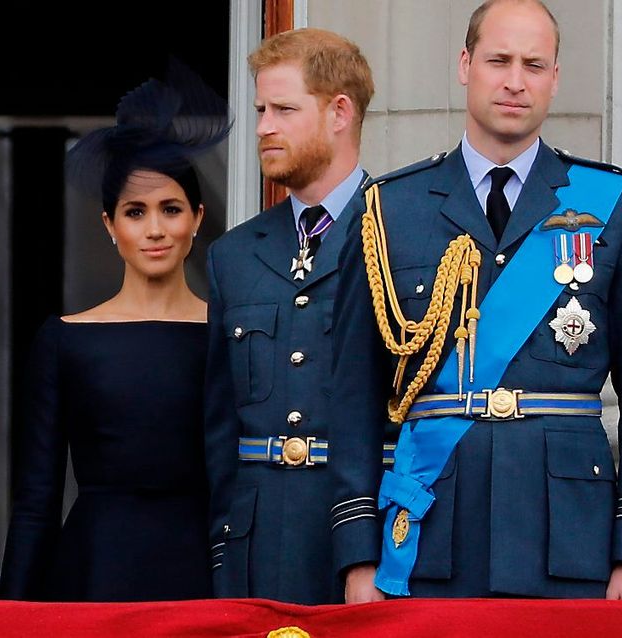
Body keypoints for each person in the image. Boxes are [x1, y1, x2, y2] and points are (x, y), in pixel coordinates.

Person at [329, 0, 622, 601]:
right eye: (499, 60)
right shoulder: (390, 209)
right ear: (465, 65)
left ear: (555, 78)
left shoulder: (616, 204)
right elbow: (353, 398)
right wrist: (359, 556)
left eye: (534, 65)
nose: (516, 81)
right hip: (427, 540)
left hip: (570, 543)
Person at [0, 62, 230, 601]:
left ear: (196, 218)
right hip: (93, 575)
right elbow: (36, 501)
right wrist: (7, 615)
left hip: (204, 575)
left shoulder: (228, 335)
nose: (154, 228)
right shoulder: (64, 340)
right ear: (110, 224)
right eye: (135, 211)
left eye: (170, 209)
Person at [203, 28, 387, 604]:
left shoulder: (403, 232)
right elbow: (219, 425)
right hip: (256, 547)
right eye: (260, 109)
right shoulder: (233, 254)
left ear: (339, 112)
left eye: (283, 109)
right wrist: (222, 546)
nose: (262, 127)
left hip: (370, 542)